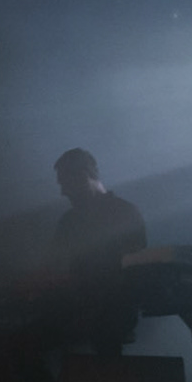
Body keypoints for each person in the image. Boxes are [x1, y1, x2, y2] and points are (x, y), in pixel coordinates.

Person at [48, 148, 147, 356]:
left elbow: (132, 275)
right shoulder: (69, 221)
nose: (63, 192)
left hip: (111, 311)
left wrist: (89, 310)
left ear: (83, 176)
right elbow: (54, 267)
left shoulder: (124, 214)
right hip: (80, 307)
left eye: (65, 184)